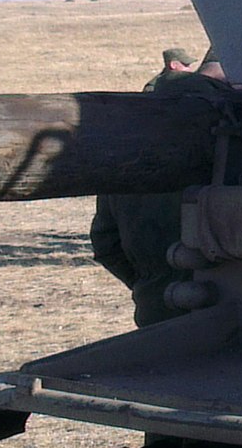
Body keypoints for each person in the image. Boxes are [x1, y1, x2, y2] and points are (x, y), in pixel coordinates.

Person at [87, 47, 225, 323]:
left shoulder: (129, 147)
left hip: (157, 306)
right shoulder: (227, 141)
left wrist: (151, 284)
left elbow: (106, 244)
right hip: (230, 313)